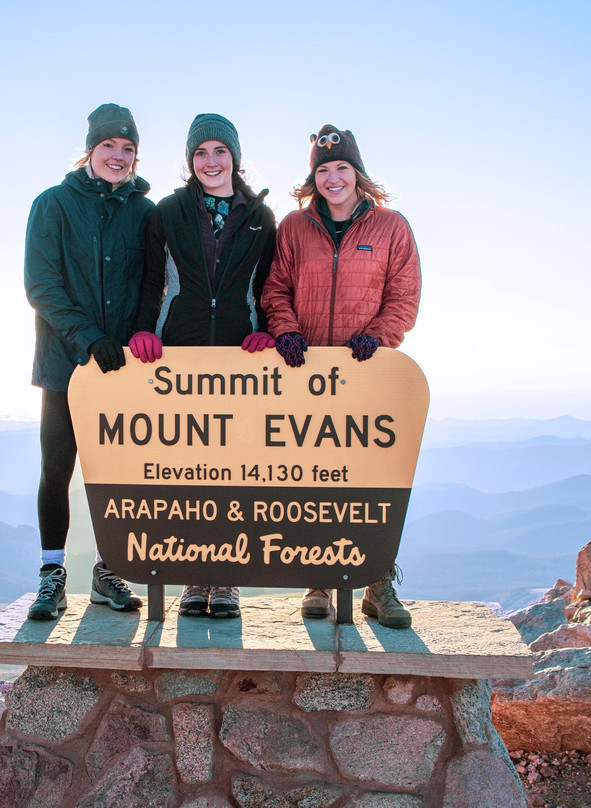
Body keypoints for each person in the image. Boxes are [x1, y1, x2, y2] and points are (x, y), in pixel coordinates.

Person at [261, 124, 421, 628]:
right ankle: (318, 582)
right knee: (312, 479)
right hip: (306, 374)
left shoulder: (391, 227)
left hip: (367, 373)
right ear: (313, 177)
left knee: (374, 483)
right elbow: (275, 288)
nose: (333, 178)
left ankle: (378, 585)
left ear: (358, 173)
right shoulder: (293, 227)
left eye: (341, 168)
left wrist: (377, 337)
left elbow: (404, 298)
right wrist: (285, 332)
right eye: (323, 169)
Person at [127, 113, 277, 619]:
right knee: (189, 468)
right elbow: (152, 280)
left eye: (219, 151)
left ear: (234, 156)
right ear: (190, 161)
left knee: (238, 468)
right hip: (180, 351)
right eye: (200, 153)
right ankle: (194, 578)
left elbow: (269, 286)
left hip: (242, 354)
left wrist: (269, 331)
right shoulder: (167, 211)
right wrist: (146, 329)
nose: (210, 162)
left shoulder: (261, 215)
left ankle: (227, 581)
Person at [23, 103, 154, 620]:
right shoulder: (52, 204)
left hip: (122, 370)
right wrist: (89, 338)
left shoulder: (145, 213)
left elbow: (151, 285)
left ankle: (108, 571)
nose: (118, 157)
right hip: (64, 365)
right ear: (90, 151)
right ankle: (51, 576)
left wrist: (133, 338)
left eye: (128, 150)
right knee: (57, 468)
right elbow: (41, 285)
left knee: (118, 474)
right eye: (109, 147)